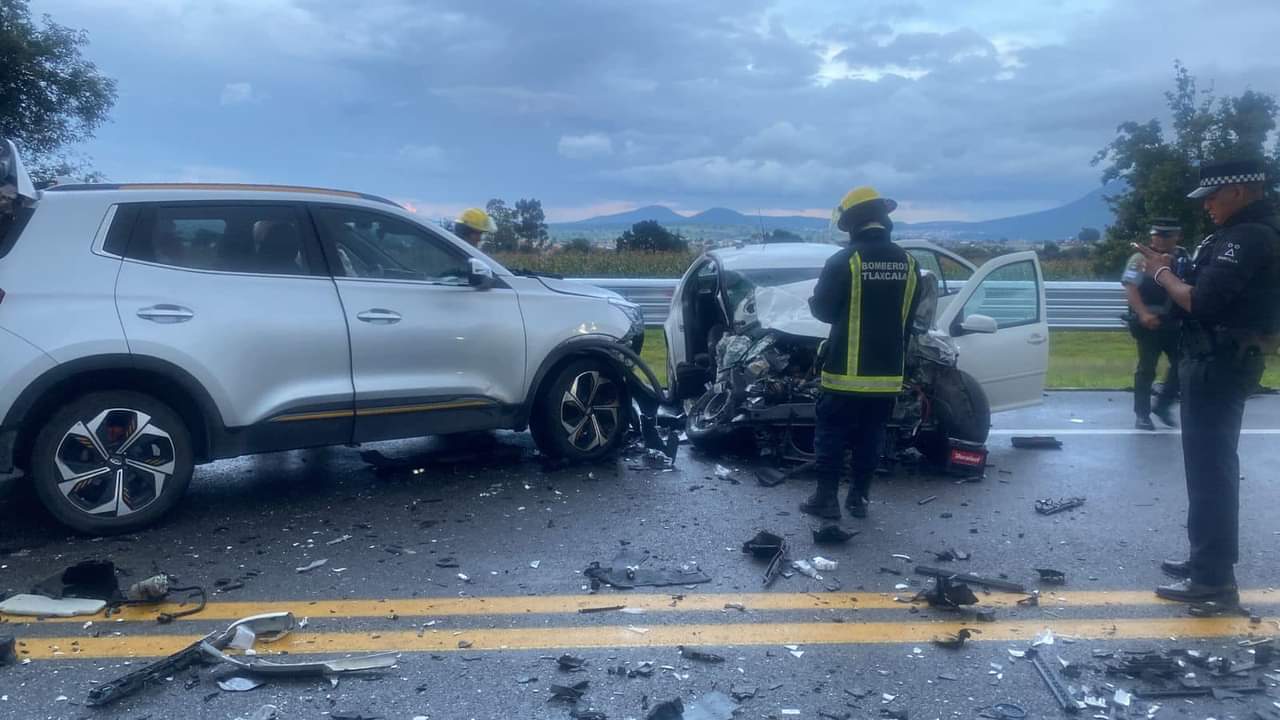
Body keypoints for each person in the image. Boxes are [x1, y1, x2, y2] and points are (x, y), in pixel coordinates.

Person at [1133, 158, 1280, 604]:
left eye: (1212, 197)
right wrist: (1173, 267)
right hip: (1213, 356)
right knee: (1208, 468)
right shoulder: (1237, 234)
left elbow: (1203, 300)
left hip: (1219, 359)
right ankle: (1206, 559)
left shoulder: (1249, 235)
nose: (1207, 206)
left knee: (1210, 470)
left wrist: (1160, 273)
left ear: (1237, 190)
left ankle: (1213, 578)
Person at [802, 186, 921, 520]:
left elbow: (824, 311)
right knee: (872, 435)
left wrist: (816, 302)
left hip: (844, 372)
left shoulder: (845, 260)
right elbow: (910, 320)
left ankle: (826, 500)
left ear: (852, 222)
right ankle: (859, 499)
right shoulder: (910, 264)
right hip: (887, 374)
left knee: (832, 434)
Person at [1122, 219, 1187, 430]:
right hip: (1149, 323)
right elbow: (1131, 287)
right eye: (1156, 235)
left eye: (1165, 236)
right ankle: (1142, 414)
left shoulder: (1183, 257)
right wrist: (1143, 314)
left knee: (1182, 365)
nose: (1159, 239)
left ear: (1176, 237)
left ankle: (1163, 406)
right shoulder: (1140, 258)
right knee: (1147, 369)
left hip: (1174, 322)